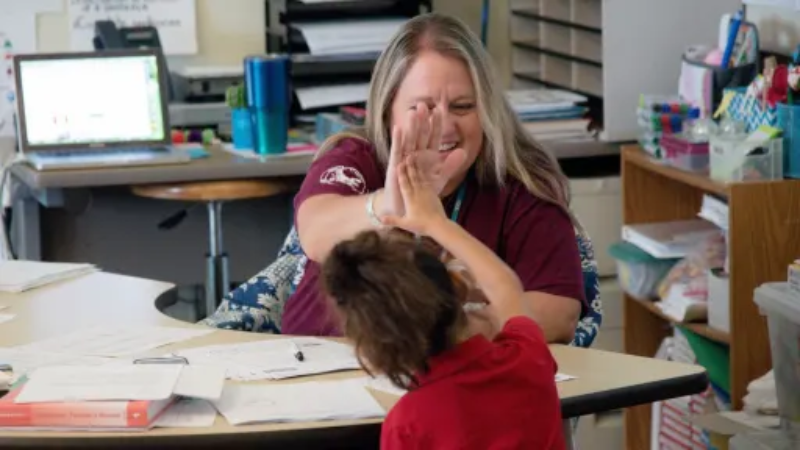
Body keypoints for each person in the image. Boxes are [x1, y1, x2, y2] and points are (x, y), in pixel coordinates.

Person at [287, 12, 586, 343]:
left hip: (455, 379)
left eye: (462, 107)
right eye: (423, 108)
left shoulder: (523, 185)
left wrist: (448, 333)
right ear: (388, 112)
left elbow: (559, 314)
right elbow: (314, 233)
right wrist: (390, 203)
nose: (444, 126)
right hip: (319, 367)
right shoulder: (357, 157)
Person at [321, 156, 565, 449]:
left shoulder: (408, 423)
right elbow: (504, 285)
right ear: (459, 285)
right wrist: (436, 223)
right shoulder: (525, 358)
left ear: (374, 349)